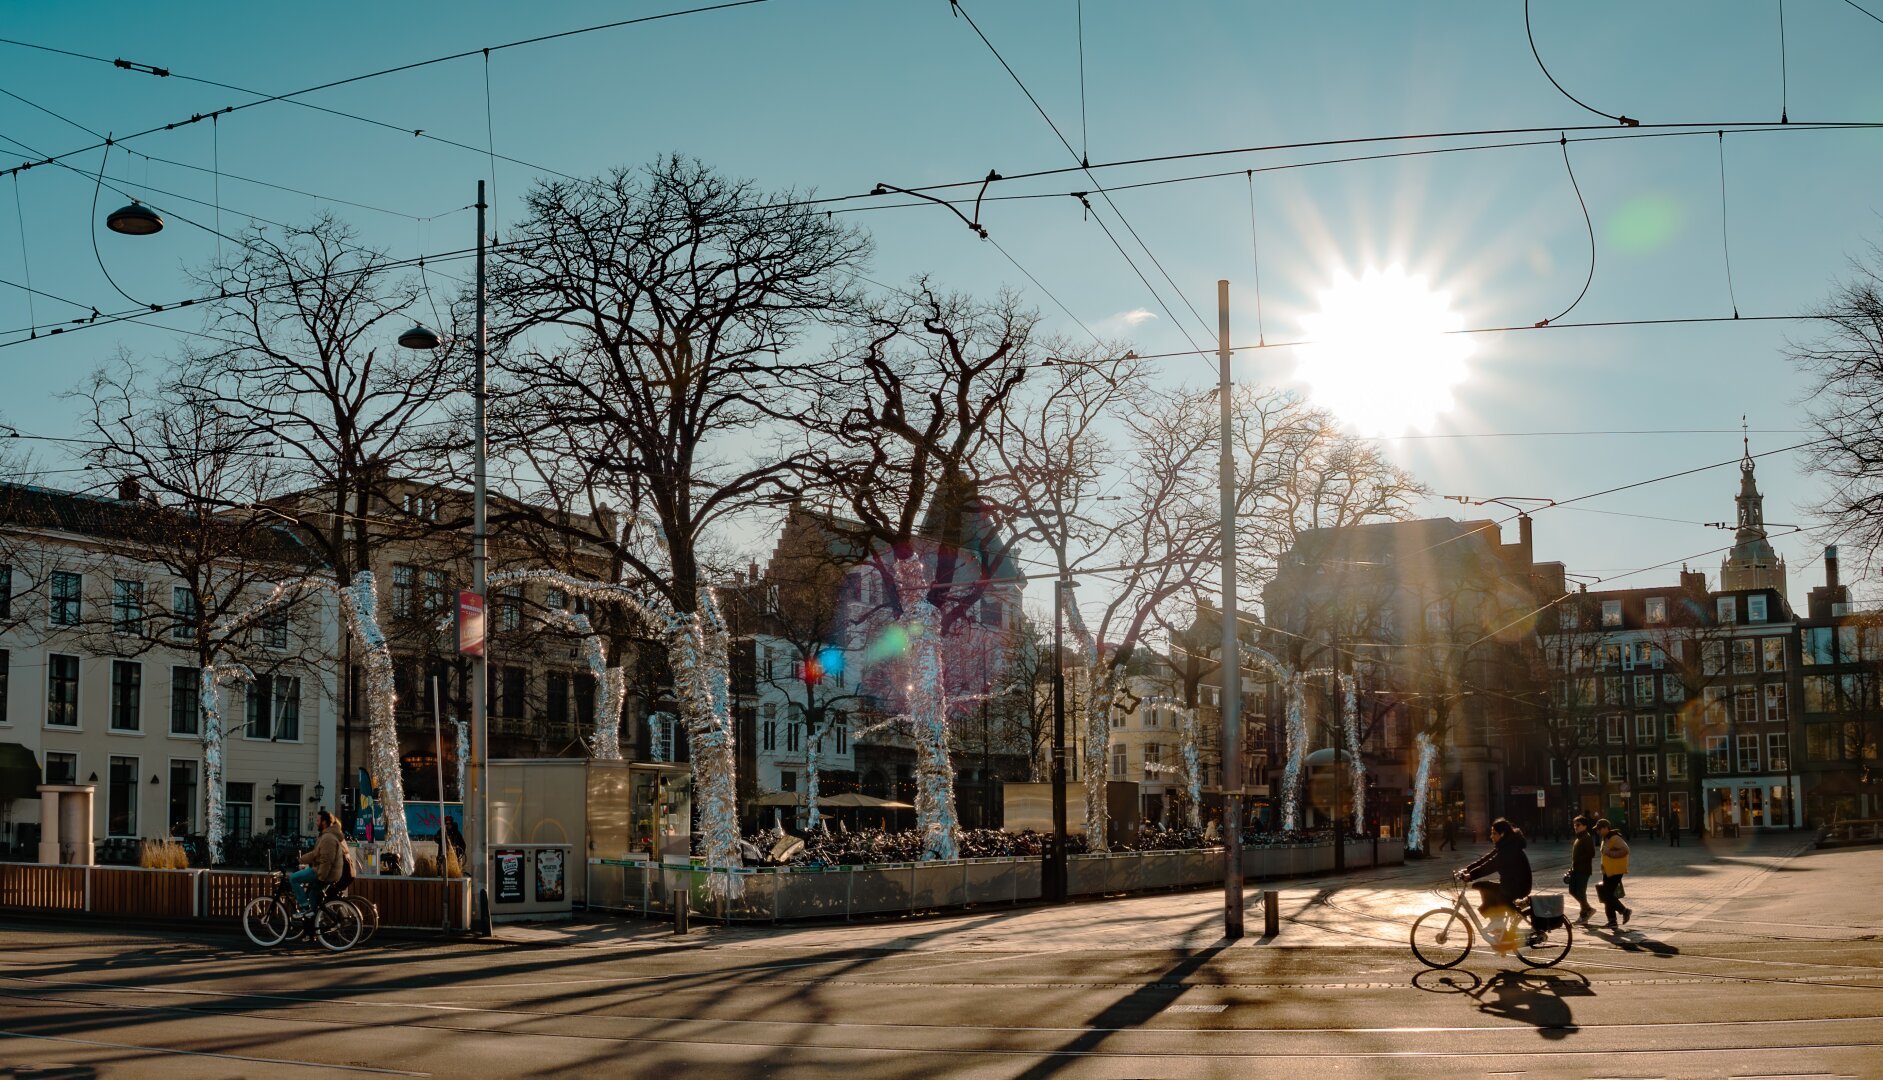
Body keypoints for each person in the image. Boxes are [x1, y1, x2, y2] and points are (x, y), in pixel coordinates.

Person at [1458, 817, 1533, 954]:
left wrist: (1471, 876)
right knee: (1483, 886)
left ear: (1502, 834)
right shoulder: (1505, 845)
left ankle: (1497, 920)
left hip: (1518, 886)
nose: (1491, 836)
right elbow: (1487, 859)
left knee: (1485, 887)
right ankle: (1498, 926)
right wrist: (1468, 869)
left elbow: (1491, 866)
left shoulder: (1509, 849)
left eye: (1494, 833)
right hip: (1511, 884)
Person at [290, 810, 347, 921]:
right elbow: (315, 854)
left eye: (318, 820)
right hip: (325, 871)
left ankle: (304, 908)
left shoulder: (328, 838)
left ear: (324, 822)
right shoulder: (326, 836)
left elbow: (326, 861)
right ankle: (312, 916)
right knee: (313, 895)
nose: (316, 822)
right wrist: (299, 860)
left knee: (293, 878)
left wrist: (321, 878)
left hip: (326, 872)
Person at [1595, 817, 1633, 928]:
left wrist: (1611, 853)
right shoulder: (1606, 838)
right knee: (1607, 895)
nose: (1597, 831)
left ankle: (1625, 911)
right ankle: (1612, 921)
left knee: (1607, 895)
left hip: (1615, 871)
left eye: (1599, 829)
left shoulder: (1614, 837)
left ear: (1606, 828)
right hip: (1608, 871)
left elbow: (1626, 850)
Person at [1566, 814, 1596, 922]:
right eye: (1574, 825)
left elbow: (1591, 853)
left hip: (1583, 870)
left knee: (1580, 892)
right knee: (1572, 890)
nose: (1575, 827)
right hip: (1576, 870)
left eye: (1578, 825)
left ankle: (1584, 914)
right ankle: (1588, 909)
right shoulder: (1579, 837)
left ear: (1584, 826)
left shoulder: (1586, 837)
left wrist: (1578, 861)